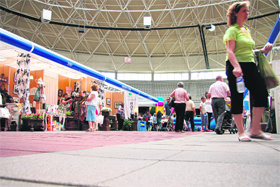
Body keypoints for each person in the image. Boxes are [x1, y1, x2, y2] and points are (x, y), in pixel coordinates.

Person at [224, 1, 273, 141]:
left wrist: (262, 50)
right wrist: (236, 66)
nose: (247, 13)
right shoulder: (232, 30)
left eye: (248, 11)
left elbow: (247, 50)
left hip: (250, 65)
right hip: (236, 66)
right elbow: (230, 51)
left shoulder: (246, 30)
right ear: (235, 13)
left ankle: (255, 129)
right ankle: (241, 132)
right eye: (244, 10)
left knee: (262, 92)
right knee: (238, 96)